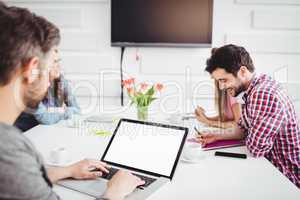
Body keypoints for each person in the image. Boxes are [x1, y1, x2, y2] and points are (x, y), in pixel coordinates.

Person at [0, 3, 144, 200]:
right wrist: (114, 193)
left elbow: (17, 178)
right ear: (32, 68)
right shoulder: (8, 153)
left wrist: (66, 171)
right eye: (51, 64)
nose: (53, 75)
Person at [197, 44, 300, 188]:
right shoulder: (256, 87)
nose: (221, 87)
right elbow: (242, 128)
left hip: (285, 176)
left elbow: (255, 149)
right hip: (269, 166)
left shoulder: (262, 94)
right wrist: (216, 136)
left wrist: (247, 133)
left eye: (224, 80)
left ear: (243, 71)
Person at [14, 53, 80, 132]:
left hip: (46, 132)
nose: (58, 66)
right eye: (54, 62)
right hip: (26, 135)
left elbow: (77, 110)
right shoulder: (31, 85)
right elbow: (46, 118)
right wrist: (65, 111)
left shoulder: (59, 81)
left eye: (58, 61)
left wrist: (60, 111)